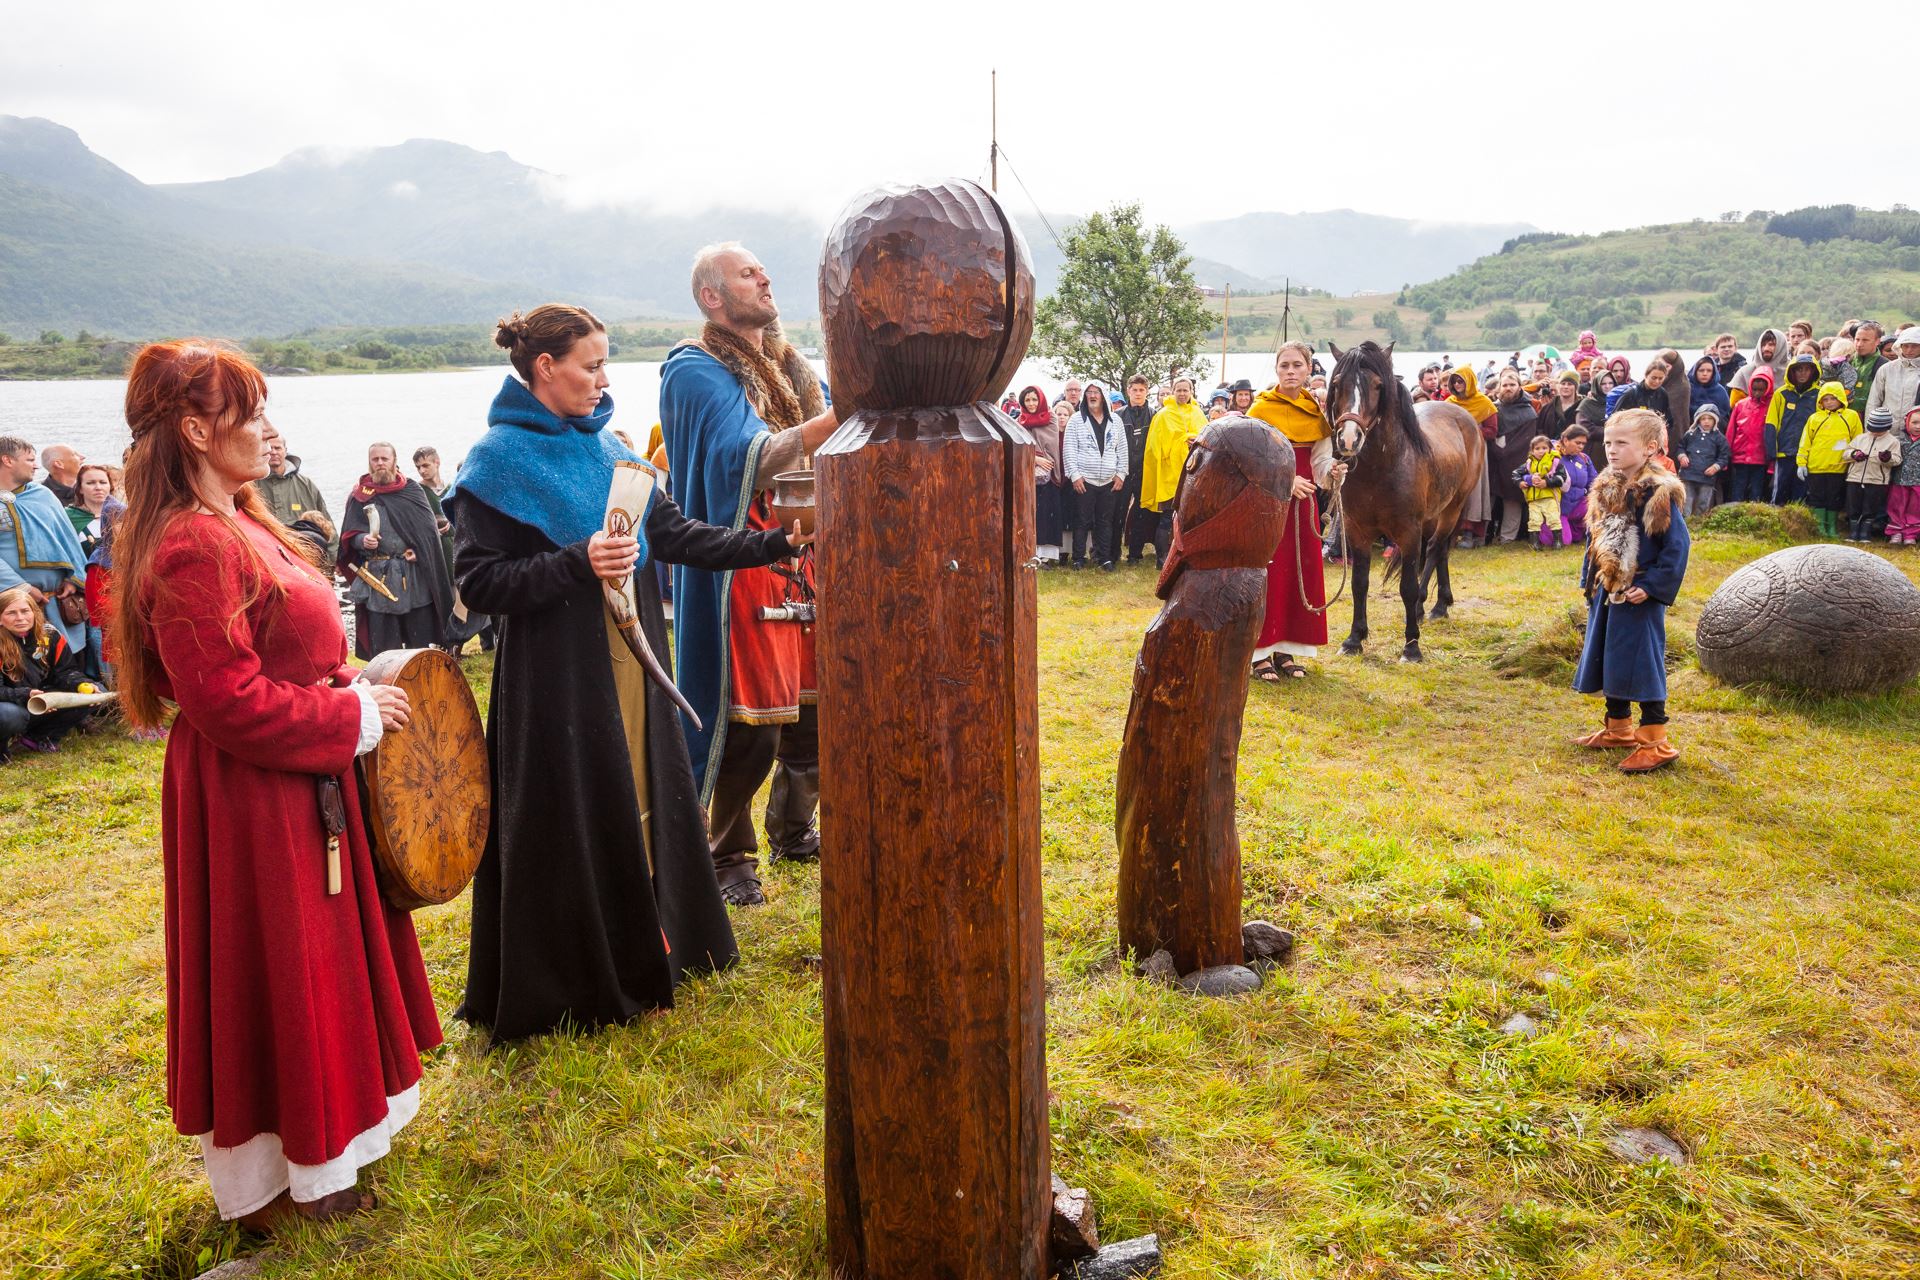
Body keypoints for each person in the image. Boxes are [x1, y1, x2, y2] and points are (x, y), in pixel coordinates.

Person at [108, 339, 439, 1230]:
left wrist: (348, 679)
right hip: (254, 797)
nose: (265, 428)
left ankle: (329, 1151)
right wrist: (352, 721)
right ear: (194, 429)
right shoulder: (190, 545)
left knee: (315, 969)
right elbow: (228, 702)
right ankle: (280, 1183)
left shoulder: (241, 517)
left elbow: (292, 649)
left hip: (294, 784)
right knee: (276, 973)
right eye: (247, 413)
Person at [446, 305, 805, 1039]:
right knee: (576, 816)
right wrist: (573, 561)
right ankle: (578, 976)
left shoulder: (610, 448)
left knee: (640, 798)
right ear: (545, 367)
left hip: (635, 673)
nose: (603, 379)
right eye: (591, 365)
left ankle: (656, 951)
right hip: (558, 685)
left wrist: (772, 545)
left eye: (605, 364)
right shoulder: (496, 462)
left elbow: (675, 536)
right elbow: (480, 585)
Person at [660, 242, 840, 907]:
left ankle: (794, 828)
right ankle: (726, 853)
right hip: (740, 564)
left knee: (817, 714)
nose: (764, 276)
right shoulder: (694, 368)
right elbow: (747, 458)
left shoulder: (795, 369)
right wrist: (835, 420)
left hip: (809, 558)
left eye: (763, 269)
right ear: (712, 297)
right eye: (745, 273)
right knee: (749, 727)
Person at [1571, 407, 1690, 773]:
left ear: (1650, 448)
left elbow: (1677, 547)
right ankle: (1618, 727)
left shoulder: (1657, 492)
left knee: (1642, 664)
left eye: (1622, 443)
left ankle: (1656, 741)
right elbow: (1598, 538)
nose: (1611, 449)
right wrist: (1590, 581)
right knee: (1611, 657)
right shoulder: (1608, 486)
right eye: (1608, 442)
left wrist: (1652, 587)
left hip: (1639, 595)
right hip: (1610, 591)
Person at [1248, 342, 1342, 680]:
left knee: (1296, 572)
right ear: (1276, 369)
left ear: (1309, 369)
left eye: (1297, 365)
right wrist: (1286, 483)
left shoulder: (1315, 411)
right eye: (1285, 365)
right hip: (1268, 503)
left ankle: (1286, 649)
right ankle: (1259, 653)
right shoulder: (1260, 410)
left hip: (1303, 506)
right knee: (1268, 575)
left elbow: (1318, 460)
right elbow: (1250, 461)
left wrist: (1331, 471)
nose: (1291, 371)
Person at [337, 443, 454, 660]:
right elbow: (348, 536)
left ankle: (425, 678)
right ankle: (389, 683)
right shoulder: (361, 495)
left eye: (384, 458)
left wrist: (419, 552)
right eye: (375, 459)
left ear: (394, 460)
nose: (380, 463)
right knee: (384, 646)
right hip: (377, 577)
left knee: (421, 639)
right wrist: (363, 540)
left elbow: (428, 535)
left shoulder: (411, 491)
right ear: (369, 463)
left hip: (414, 576)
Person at [0, 436, 88, 653]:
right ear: (7, 460)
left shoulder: (42, 494)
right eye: (30, 459)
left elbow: (67, 538)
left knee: (68, 666)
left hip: (58, 603)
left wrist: (74, 577)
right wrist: (22, 588)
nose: (36, 465)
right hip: (11, 608)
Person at [0, 584, 93, 760]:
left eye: (25, 611)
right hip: (12, 703)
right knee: (9, 715)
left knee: (89, 695)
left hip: (40, 700)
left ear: (34, 613)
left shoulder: (50, 635)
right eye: (11, 613)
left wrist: (80, 684)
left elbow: (66, 671)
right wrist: (26, 695)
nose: (20, 618)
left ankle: (37, 738)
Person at [1137, 376, 1206, 566]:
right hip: (1170, 476)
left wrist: (1194, 440)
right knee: (1167, 518)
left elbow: (1208, 439)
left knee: (1190, 519)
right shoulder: (1163, 415)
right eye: (1179, 390)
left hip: (1194, 474)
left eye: (1186, 390)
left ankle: (1186, 557)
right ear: (1173, 391)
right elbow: (1154, 447)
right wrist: (1181, 441)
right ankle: (1162, 559)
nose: (1182, 393)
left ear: (1191, 392)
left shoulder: (1198, 413)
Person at [1062, 382, 1128, 570]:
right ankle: (1078, 558)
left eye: (1096, 392)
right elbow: (1069, 449)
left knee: (1105, 521)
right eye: (1089, 392)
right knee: (1081, 520)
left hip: (1109, 480)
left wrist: (1121, 474)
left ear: (1103, 396)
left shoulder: (1116, 421)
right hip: (1084, 479)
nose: (1092, 396)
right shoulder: (1076, 420)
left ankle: (1103, 557)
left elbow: (1122, 449)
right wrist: (1074, 475)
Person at [1796, 381, 1860, 537]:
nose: (1829, 402)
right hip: (1816, 466)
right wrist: (1801, 463)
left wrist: (1855, 458)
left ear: (1841, 399)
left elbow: (1858, 440)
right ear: (1820, 401)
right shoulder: (1814, 418)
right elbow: (1805, 442)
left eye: (1833, 398)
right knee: (1817, 498)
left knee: (1834, 498)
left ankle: (1832, 527)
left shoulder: (1851, 416)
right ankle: (1820, 527)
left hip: (1838, 467)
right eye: (1825, 399)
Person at [253, 437, 333, 559]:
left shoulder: (307, 485)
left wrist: (334, 559)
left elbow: (327, 525)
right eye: (270, 448)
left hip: (306, 557)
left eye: (278, 448)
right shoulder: (251, 486)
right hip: (266, 556)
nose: (274, 452)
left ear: (285, 451)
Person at [1014, 387, 1064, 568]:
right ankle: (1030, 552)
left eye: (1034, 399)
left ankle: (1046, 556)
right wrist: (1034, 458)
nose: (1032, 404)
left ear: (1041, 400)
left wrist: (1045, 459)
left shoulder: (1051, 419)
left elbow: (1051, 444)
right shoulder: (1019, 422)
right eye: (1027, 400)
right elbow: (1017, 447)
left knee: (1047, 515)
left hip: (1049, 477)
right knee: (1030, 514)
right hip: (1028, 474)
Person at [1447, 366, 1497, 547]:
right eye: (1454, 381)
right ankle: (1451, 533)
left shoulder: (1484, 403)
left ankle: (1472, 533)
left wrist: (1469, 432)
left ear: (1470, 382)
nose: (1457, 385)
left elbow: (1492, 431)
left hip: (1475, 452)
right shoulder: (1449, 403)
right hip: (1454, 453)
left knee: (1475, 493)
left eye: (1461, 381)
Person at [1489, 369, 1539, 543]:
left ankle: (1507, 537)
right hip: (1493, 460)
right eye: (1505, 385)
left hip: (1514, 461)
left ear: (1519, 387)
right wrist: (1494, 449)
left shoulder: (1528, 412)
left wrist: (1504, 452)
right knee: (1489, 498)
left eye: (1512, 385)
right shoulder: (1492, 408)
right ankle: (1483, 536)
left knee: (1512, 499)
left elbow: (1526, 441)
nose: (1508, 388)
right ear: (1499, 387)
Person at [1843, 409, 1902, 541]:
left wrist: (1887, 458)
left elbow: (1897, 460)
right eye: (1873, 428)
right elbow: (1846, 453)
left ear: (1887, 427)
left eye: (1879, 429)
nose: (1875, 432)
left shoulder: (1893, 442)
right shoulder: (1860, 438)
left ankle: (1865, 533)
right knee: (1853, 505)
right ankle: (1853, 532)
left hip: (1876, 480)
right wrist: (1854, 454)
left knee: (1870, 507)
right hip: (1855, 478)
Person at [1114, 375, 1154, 564]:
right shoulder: (1118, 415)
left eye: (1141, 390)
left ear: (1147, 392)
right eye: (1134, 390)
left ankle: (1135, 554)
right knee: (1117, 513)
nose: (1138, 393)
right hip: (1122, 472)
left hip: (1144, 473)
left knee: (1140, 514)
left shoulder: (1155, 415)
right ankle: (1113, 553)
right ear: (1128, 391)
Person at [1725, 367, 1775, 503]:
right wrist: (1726, 455)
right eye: (1754, 389)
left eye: (1761, 390)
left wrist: (1771, 461)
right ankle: (1734, 514)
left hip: (1760, 457)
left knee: (1756, 490)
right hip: (1740, 456)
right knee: (1738, 487)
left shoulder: (1772, 406)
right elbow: (1731, 431)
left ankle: (1754, 515)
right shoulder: (1740, 405)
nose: (1757, 393)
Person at [1676, 404, 1730, 515]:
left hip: (1707, 477)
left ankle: (1698, 523)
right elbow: (1680, 447)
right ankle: (1685, 524)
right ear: (1698, 420)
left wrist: (1715, 467)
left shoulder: (1719, 438)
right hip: (1688, 474)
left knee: (1703, 503)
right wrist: (1682, 456)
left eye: (1710, 418)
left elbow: (1724, 456)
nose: (1706, 422)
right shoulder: (1690, 434)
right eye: (1703, 418)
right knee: (1686, 501)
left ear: (1715, 420)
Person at [1518, 434, 1567, 549]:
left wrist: (1547, 482)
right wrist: (1525, 481)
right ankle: (1535, 543)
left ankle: (1558, 542)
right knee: (1534, 520)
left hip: (1549, 497)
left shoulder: (1555, 462)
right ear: (1532, 450)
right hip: (1533, 499)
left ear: (1550, 449)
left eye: (1544, 448)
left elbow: (1561, 478)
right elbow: (1516, 474)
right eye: (1537, 448)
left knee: (1553, 518)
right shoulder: (1529, 464)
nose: (1541, 451)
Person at [1864, 327, 1920, 426]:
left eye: (1915, 346)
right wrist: (1870, 429)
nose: (1909, 350)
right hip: (1886, 431)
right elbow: (1873, 402)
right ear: (1900, 346)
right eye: (1905, 346)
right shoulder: (1887, 369)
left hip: (1916, 433)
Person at [1887, 406, 1920, 545]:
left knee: (1915, 508)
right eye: (1915, 422)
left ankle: (1910, 534)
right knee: (1896, 506)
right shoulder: (1898, 440)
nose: (1918, 427)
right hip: (1899, 480)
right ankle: (1895, 532)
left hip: (1917, 482)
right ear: (1907, 422)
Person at [1558, 427, 1597, 544]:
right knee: (1565, 541)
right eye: (1577, 443)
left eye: (1583, 444)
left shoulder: (1584, 459)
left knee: (1598, 506)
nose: (1581, 447)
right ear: (1565, 440)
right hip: (1557, 507)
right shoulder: (1551, 455)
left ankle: (1576, 527)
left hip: (1578, 503)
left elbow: (1594, 481)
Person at [1730, 327, 1788, 404]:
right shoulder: (1745, 373)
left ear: (1781, 346)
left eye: (1771, 344)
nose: (1766, 348)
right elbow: (1735, 406)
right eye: (1763, 345)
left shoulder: (1791, 372)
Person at [1847, 321, 1886, 415]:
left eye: (1865, 340)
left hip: (1871, 418)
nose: (1859, 344)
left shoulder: (1885, 366)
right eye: (1857, 339)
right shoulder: (1847, 361)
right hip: (1845, 418)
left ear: (1877, 341)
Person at [1686, 355, 1730, 430]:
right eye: (1701, 370)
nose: (1705, 374)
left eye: (1709, 371)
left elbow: (1725, 415)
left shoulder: (1720, 391)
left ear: (1713, 373)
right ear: (1695, 371)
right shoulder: (1688, 389)